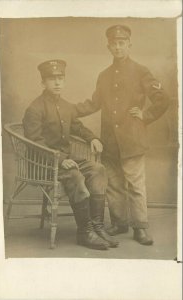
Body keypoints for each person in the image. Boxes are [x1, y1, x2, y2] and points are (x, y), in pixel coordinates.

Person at [74, 25, 169, 245]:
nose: (118, 47)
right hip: (109, 140)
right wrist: (70, 110)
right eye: (114, 43)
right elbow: (93, 103)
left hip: (132, 139)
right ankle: (119, 222)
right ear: (109, 47)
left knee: (135, 185)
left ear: (129, 44)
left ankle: (140, 227)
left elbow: (162, 99)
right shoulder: (104, 75)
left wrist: (145, 116)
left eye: (122, 42)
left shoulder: (141, 71)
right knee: (114, 184)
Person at [23, 59, 118, 250]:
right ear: (43, 83)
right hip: (44, 164)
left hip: (66, 161)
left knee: (98, 169)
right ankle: (84, 232)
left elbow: (78, 127)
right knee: (75, 175)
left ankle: (97, 226)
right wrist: (60, 160)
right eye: (52, 79)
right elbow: (35, 143)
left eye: (60, 78)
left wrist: (92, 138)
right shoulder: (35, 109)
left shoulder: (66, 106)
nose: (57, 83)